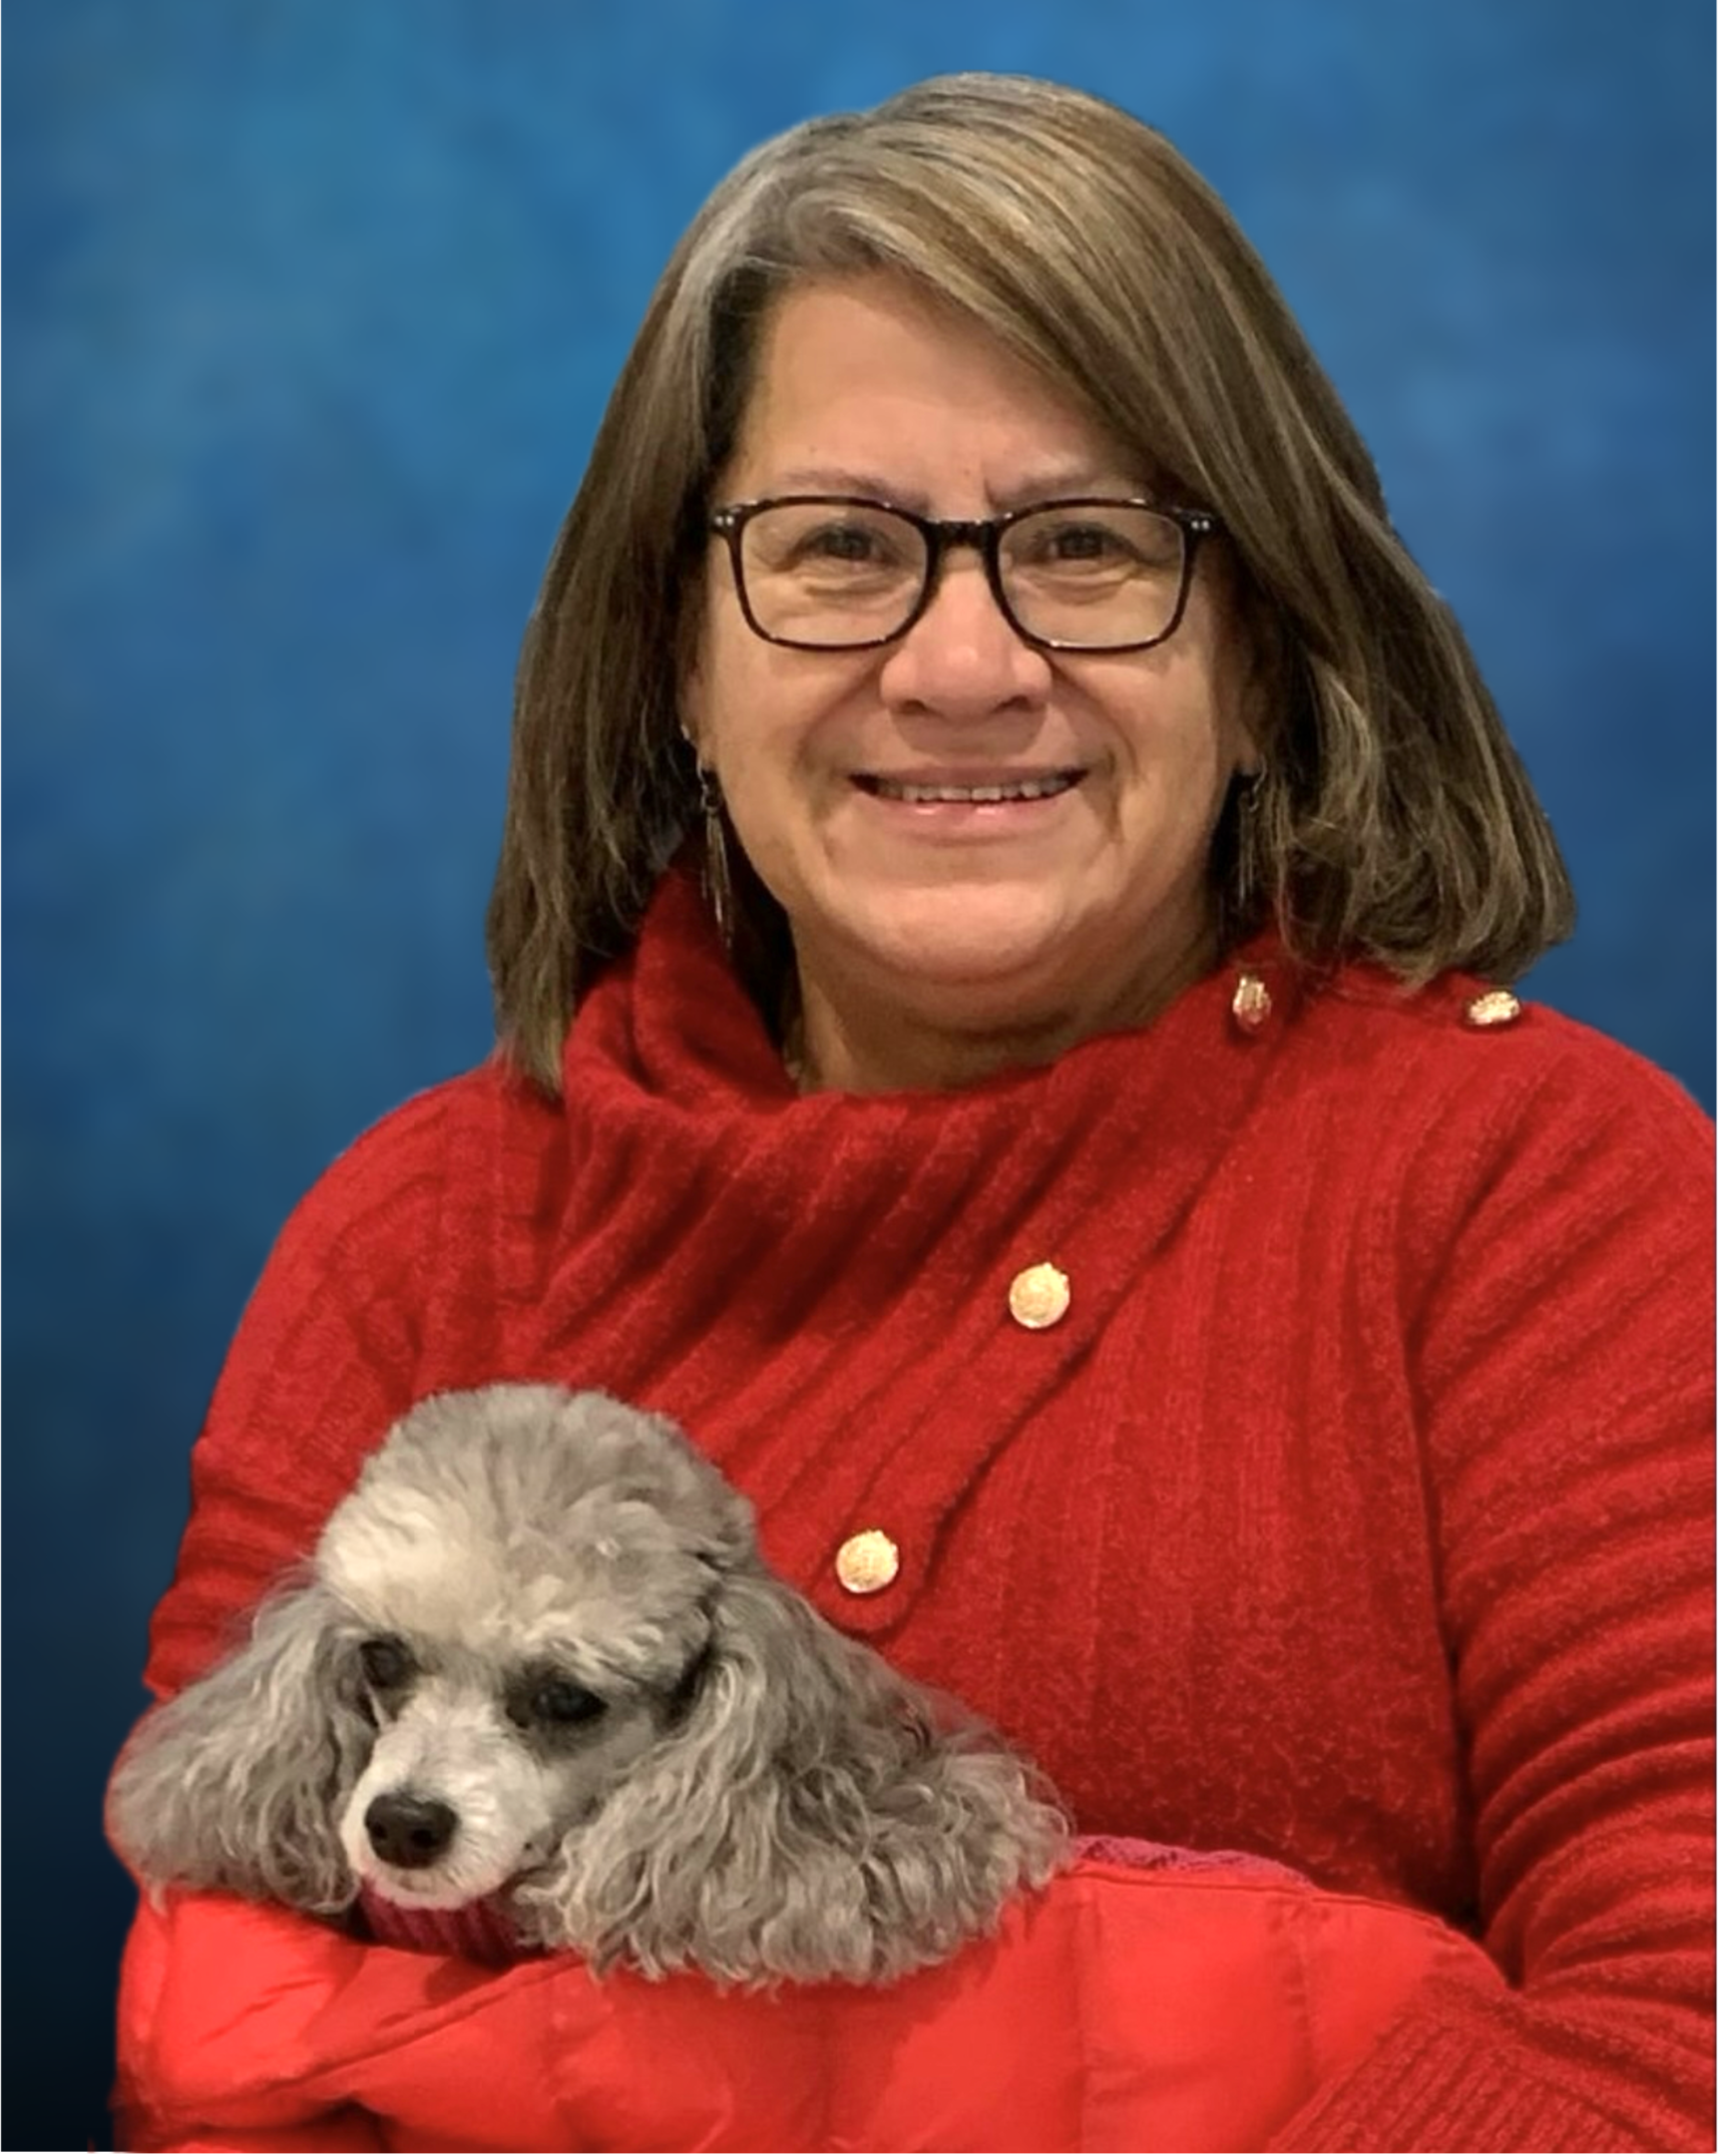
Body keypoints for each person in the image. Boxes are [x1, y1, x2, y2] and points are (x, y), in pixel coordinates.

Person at [109, 72, 1714, 2155]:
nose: (967, 663)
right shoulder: (420, 1244)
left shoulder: (1551, 1199)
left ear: (1264, 644)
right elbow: (228, 2061)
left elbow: (1675, 2037)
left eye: (1085, 544)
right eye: (841, 548)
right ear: (676, 655)